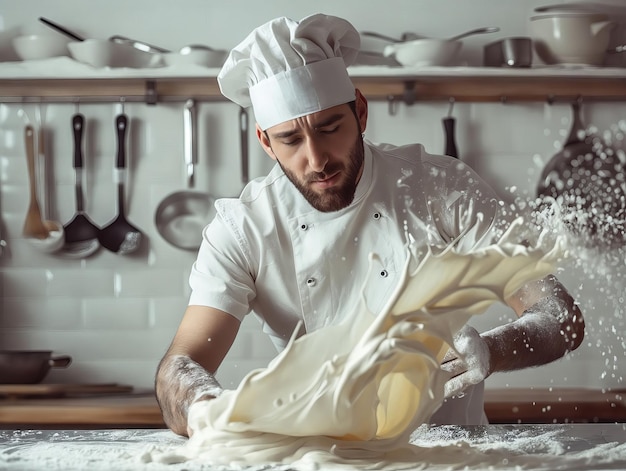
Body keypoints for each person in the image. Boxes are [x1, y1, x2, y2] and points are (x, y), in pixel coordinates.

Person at [155, 13, 585, 437]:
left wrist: (491, 349)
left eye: (329, 127)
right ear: (266, 142)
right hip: (317, 458)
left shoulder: (442, 189)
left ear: (360, 111)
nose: (316, 158)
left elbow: (560, 316)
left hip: (450, 452)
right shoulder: (244, 228)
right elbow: (180, 366)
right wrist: (204, 409)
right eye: (290, 139)